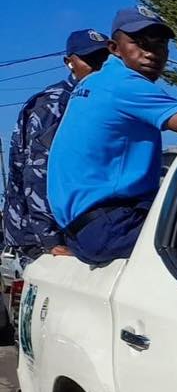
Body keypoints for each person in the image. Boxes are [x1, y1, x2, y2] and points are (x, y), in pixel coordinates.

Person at [46, 6, 177, 265]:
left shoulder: (92, 83)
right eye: (139, 42)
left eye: (160, 45)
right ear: (114, 48)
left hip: (85, 231)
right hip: (114, 225)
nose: (151, 52)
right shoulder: (125, 84)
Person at [3, 29, 110, 259]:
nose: (98, 66)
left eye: (104, 59)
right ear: (69, 62)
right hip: (39, 234)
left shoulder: (98, 96)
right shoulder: (55, 104)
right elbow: (38, 173)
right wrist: (50, 241)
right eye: (89, 60)